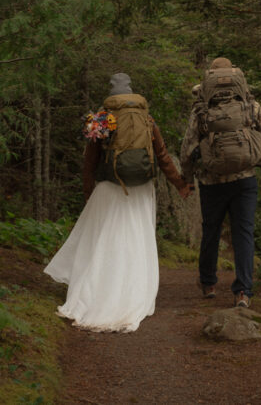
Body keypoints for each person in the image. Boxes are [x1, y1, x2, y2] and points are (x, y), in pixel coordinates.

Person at [44, 73, 191, 332]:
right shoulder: (146, 119)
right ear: (132, 93)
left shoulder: (102, 119)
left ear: (111, 94)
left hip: (110, 188)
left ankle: (98, 293)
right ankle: (133, 293)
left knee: (105, 240)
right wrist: (179, 184)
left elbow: (90, 160)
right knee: (136, 239)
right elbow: (163, 156)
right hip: (141, 190)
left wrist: (88, 191)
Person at [181, 57, 261, 309]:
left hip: (211, 180)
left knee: (211, 230)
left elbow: (188, 147)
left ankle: (208, 283)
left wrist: (187, 180)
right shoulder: (250, 106)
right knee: (243, 233)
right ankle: (243, 291)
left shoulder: (201, 109)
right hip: (245, 179)